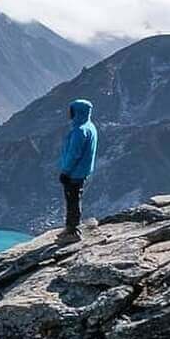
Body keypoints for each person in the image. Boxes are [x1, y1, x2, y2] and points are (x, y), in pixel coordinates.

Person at [58, 98, 98, 240]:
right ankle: (71, 227)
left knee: (72, 199)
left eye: (72, 110)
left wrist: (65, 171)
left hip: (74, 173)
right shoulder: (90, 127)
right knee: (75, 198)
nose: (69, 113)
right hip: (82, 171)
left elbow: (74, 154)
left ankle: (72, 231)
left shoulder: (79, 131)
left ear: (77, 112)